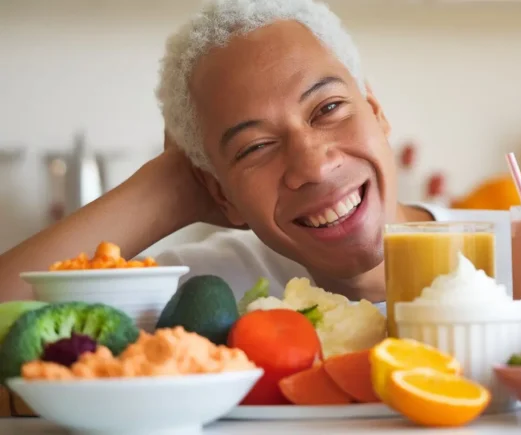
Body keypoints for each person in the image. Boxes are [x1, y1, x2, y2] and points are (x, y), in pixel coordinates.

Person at [0, 0, 489, 303]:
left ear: (376, 112)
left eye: (329, 108)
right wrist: (168, 187)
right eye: (255, 146)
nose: (314, 165)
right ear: (221, 195)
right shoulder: (210, 290)